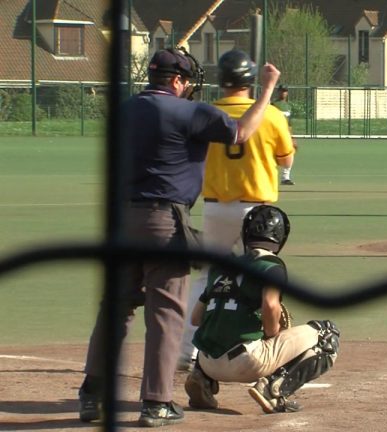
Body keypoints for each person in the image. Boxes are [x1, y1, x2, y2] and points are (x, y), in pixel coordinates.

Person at [77, 48, 280, 427]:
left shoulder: (125, 109)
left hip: (120, 221)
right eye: (185, 81)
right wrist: (267, 88)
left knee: (115, 310)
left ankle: (91, 394)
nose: (188, 87)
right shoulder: (189, 111)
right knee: (166, 313)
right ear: (175, 81)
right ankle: (156, 403)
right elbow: (241, 133)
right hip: (165, 223)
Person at [177, 49, 295, 373]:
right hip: (257, 215)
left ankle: (189, 353)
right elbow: (287, 159)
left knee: (206, 278)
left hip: (215, 209)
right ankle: (255, 346)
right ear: (249, 79)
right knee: (257, 278)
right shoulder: (268, 114)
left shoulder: (207, 112)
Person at [183, 205, 340, 414]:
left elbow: (195, 319)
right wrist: (272, 335)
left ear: (246, 234)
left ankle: (201, 379)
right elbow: (270, 304)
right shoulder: (271, 265)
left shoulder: (222, 267)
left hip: (205, 360)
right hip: (246, 363)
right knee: (326, 334)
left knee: (217, 329)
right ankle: (273, 390)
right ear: (281, 237)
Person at [272, 85, 297, 185]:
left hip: (285, 134)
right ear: (278, 92)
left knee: (290, 153)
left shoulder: (288, 106)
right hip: (274, 133)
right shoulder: (273, 104)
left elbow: (289, 123)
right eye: (282, 91)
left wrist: (292, 137)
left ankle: (285, 177)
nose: (283, 93)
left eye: (285, 91)